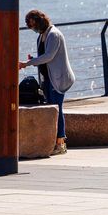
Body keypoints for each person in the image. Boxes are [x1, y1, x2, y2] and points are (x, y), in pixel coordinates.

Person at [18, 9, 75, 155]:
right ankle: (54, 141)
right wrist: (34, 60)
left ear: (40, 21)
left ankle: (61, 143)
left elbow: (49, 56)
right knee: (51, 110)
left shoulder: (54, 34)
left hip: (58, 78)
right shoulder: (42, 36)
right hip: (48, 78)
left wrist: (27, 63)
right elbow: (44, 56)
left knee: (57, 109)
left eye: (33, 25)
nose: (33, 29)